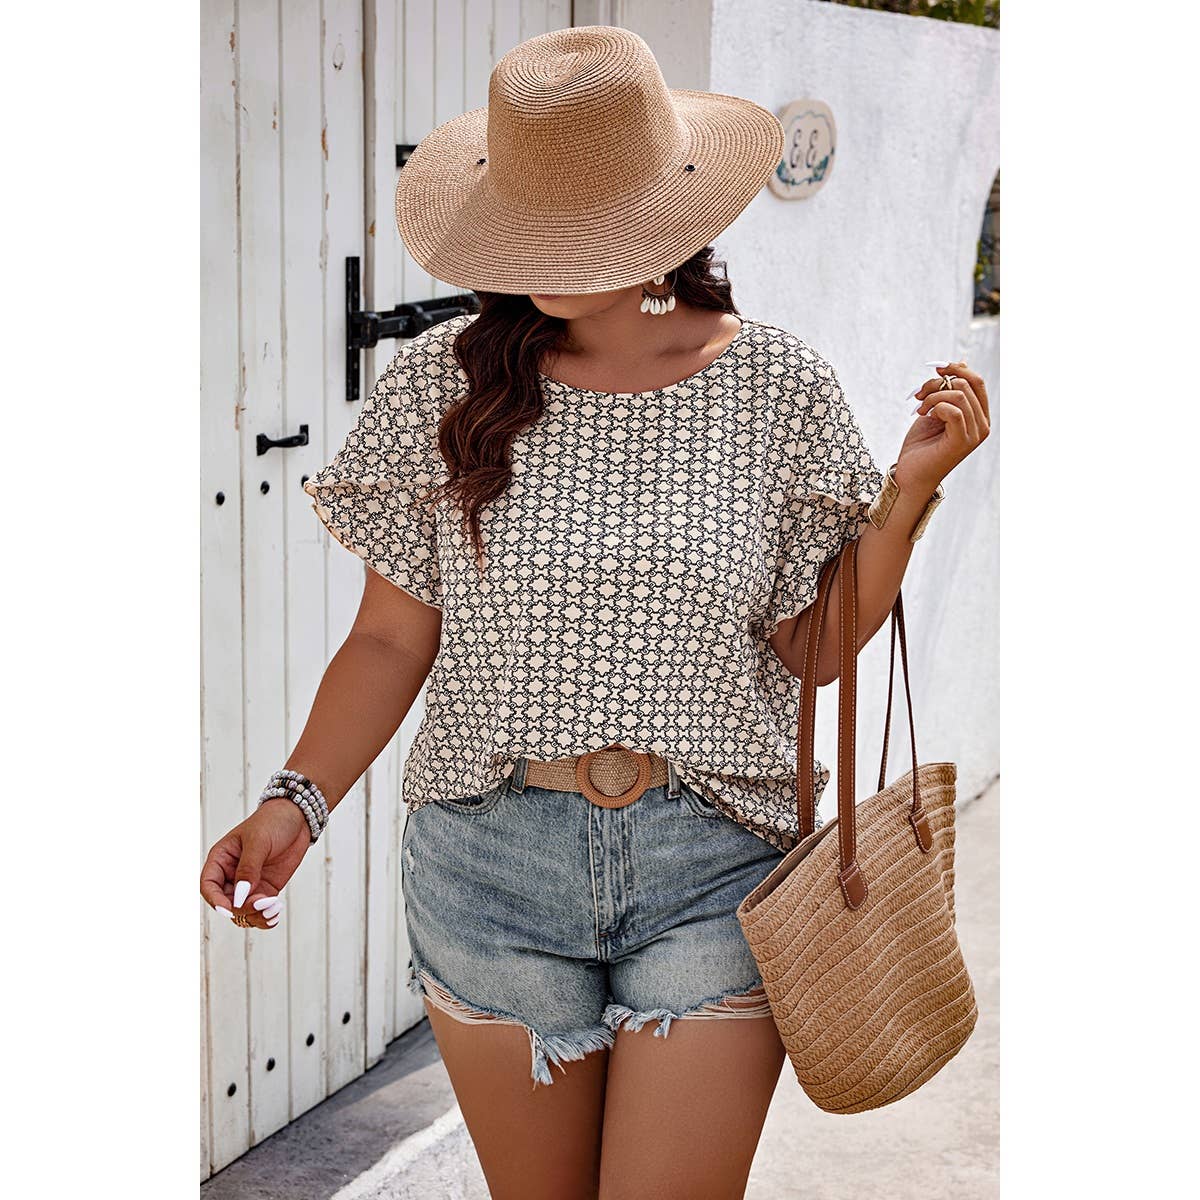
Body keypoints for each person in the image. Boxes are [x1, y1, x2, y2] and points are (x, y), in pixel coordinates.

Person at [199, 25, 990, 1200]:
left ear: (669, 218)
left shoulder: (778, 386)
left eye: (585, 226)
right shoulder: (443, 384)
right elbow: (388, 637)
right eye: (530, 227)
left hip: (714, 864)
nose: (551, 258)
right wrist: (295, 800)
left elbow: (813, 649)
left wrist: (909, 490)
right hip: (487, 867)